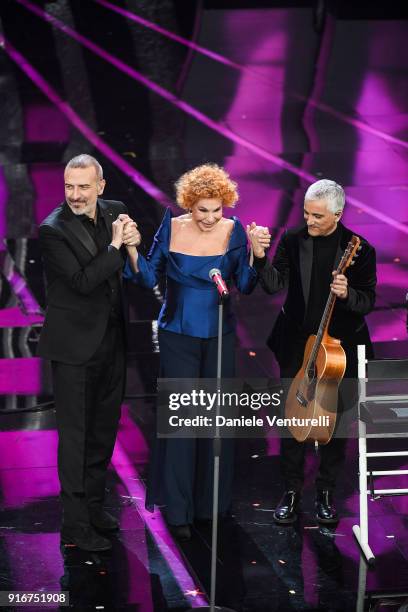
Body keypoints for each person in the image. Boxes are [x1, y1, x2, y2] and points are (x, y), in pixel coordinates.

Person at [125, 163, 270, 540]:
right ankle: (179, 508)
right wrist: (130, 249)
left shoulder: (234, 230)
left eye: (216, 210)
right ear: (189, 204)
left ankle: (210, 506)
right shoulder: (171, 227)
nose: (209, 218)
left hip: (219, 335)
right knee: (182, 421)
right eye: (202, 210)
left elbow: (244, 284)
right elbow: (145, 277)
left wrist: (255, 255)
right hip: (177, 334)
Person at [248, 179, 377, 524]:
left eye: (317, 216)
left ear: (338, 214)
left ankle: (325, 492)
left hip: (341, 349)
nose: (310, 221)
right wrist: (260, 258)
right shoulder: (293, 240)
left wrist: (348, 293)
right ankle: (291, 491)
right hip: (297, 342)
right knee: (295, 418)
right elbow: (275, 283)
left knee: (335, 423)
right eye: (306, 213)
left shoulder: (360, 249)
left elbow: (367, 302)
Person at [37, 154, 140, 551]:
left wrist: (131, 244)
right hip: (73, 347)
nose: (75, 195)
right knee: (76, 437)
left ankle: (95, 508)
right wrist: (116, 244)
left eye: (83, 186)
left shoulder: (117, 211)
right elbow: (83, 281)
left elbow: (128, 267)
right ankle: (75, 524)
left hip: (112, 342)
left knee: (102, 432)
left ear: (101, 186)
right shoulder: (53, 230)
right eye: (69, 186)